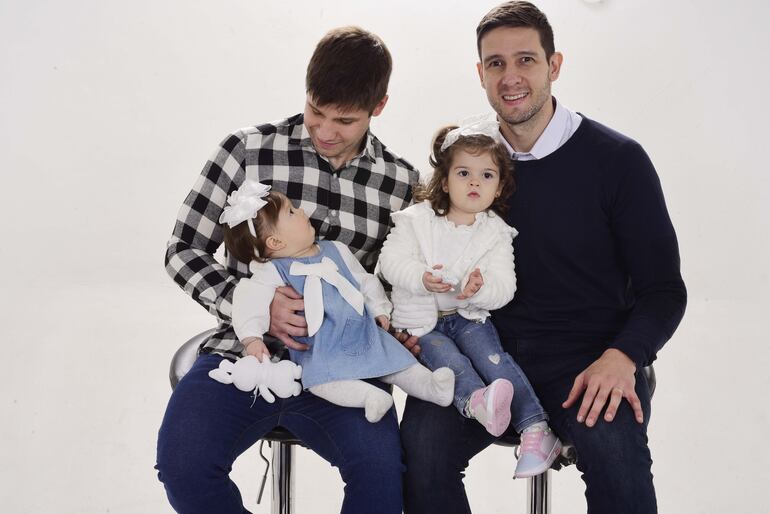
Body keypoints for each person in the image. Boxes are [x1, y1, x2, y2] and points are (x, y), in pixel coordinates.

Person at [399, 3, 687, 513]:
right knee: (420, 454)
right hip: (482, 354)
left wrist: (624, 356)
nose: (511, 77)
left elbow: (663, 290)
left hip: (589, 359)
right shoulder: (468, 162)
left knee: (619, 469)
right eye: (495, 63)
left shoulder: (618, 161)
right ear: (480, 73)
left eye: (526, 60)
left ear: (554, 66)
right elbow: (420, 245)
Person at [156, 26, 420, 514]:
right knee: (184, 465)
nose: (323, 130)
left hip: (345, 366)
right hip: (244, 356)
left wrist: (397, 324)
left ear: (378, 107)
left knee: (383, 482)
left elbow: (394, 282)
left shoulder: (401, 183)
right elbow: (182, 249)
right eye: (316, 110)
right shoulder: (246, 150)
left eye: (343, 120)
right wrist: (248, 304)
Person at [379, 122, 562, 478]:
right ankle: (477, 403)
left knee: (496, 361)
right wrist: (420, 276)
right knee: (451, 364)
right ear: (445, 181)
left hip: (468, 317)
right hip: (422, 323)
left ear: (499, 187)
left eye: (487, 175)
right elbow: (390, 262)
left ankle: (535, 430)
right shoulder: (416, 221)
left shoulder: (495, 233)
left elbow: (505, 287)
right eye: (464, 173)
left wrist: (481, 287)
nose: (475, 182)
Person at [220, 183, 453, 422]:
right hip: (321, 346)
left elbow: (365, 282)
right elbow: (248, 299)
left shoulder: (336, 250)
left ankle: (432, 387)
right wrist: (251, 339)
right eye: (291, 211)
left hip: (362, 330)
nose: (302, 212)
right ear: (275, 242)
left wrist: (381, 310)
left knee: (398, 360)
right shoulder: (272, 271)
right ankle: (368, 397)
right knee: (323, 380)